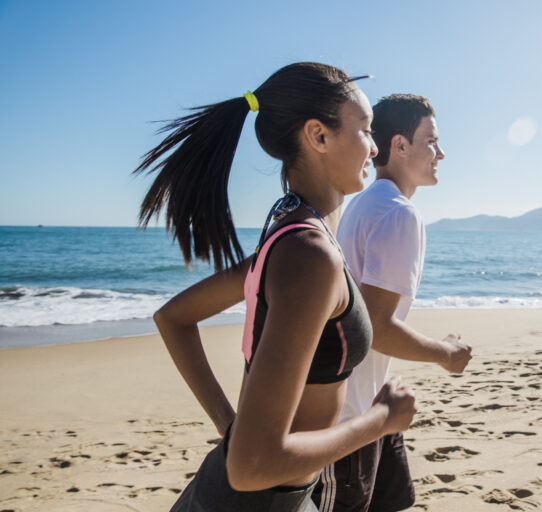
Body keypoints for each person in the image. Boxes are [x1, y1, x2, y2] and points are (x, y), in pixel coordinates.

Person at [134, 63, 417, 512]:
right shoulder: (310, 256)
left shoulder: (290, 232)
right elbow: (251, 466)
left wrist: (232, 428)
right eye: (365, 131)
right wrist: (380, 420)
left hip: (260, 497)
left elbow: (173, 318)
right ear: (318, 137)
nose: (375, 146)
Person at [312, 94, 473, 512]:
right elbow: (377, 327)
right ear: (400, 146)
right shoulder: (399, 214)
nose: (441, 153)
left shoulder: (361, 204)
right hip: (348, 416)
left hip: (367, 399)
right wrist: (446, 354)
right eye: (431, 141)